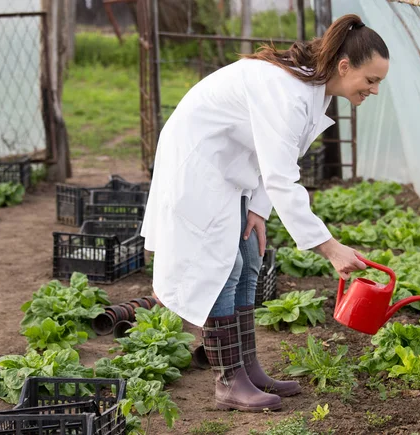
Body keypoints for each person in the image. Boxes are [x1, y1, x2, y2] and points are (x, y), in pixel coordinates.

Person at [141, 13, 389, 412]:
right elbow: (281, 177)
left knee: (250, 258)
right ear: (345, 67)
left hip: (230, 166)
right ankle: (229, 382)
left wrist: (257, 208)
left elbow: (276, 155)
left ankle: (248, 367)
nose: (375, 89)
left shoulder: (314, 88)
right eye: (371, 80)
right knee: (224, 268)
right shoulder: (290, 92)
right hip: (200, 165)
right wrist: (329, 247)